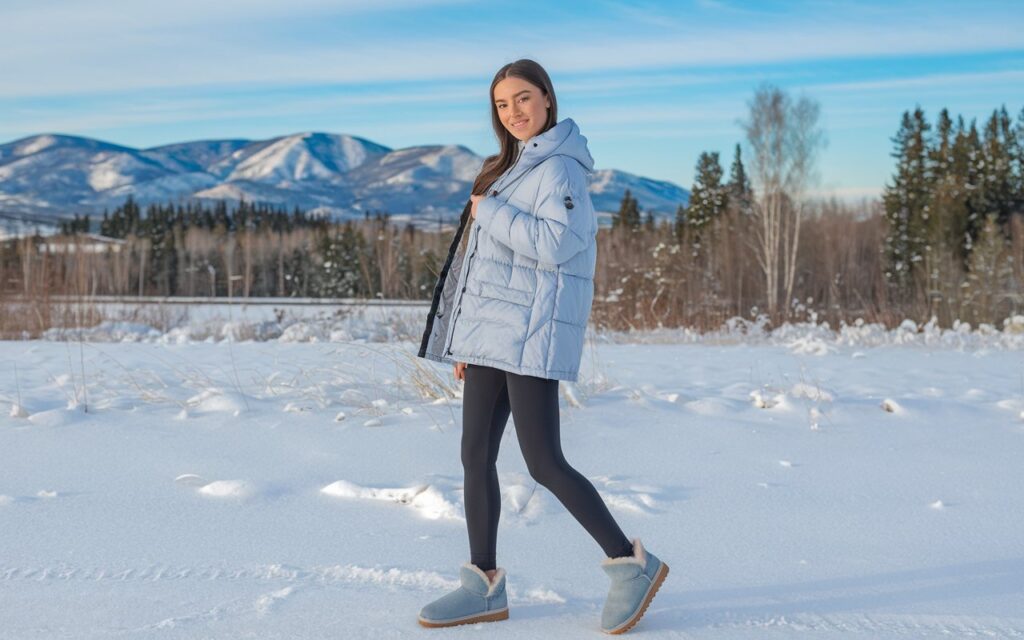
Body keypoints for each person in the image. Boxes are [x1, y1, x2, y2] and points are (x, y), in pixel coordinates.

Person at [416, 58, 668, 634]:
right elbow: (484, 269)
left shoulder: (561, 171)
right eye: (503, 105)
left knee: (544, 462)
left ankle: (633, 566)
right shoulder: (504, 168)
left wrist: (492, 211)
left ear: (548, 99)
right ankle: (482, 584)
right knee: (473, 457)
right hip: (488, 340)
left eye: (524, 99)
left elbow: (557, 245)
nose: (515, 113)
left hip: (531, 335)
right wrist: (464, 338)